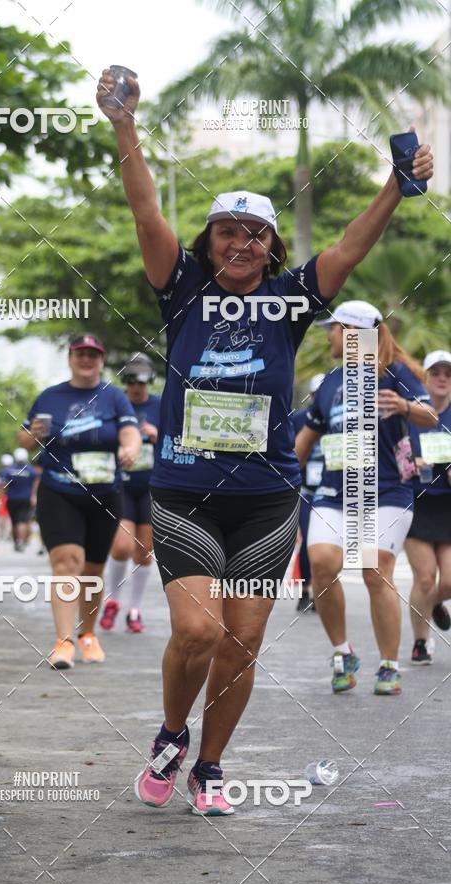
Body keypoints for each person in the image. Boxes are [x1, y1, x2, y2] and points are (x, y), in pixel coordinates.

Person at [97, 67, 434, 814]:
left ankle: (209, 766)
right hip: (185, 492)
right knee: (195, 628)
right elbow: (145, 208)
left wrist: (393, 185)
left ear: (271, 246)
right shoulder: (181, 288)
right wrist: (124, 123)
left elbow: (349, 248)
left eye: (255, 234)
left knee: (241, 642)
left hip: (267, 499)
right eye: (228, 231)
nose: (242, 243)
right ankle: (171, 732)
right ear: (209, 242)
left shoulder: (291, 301)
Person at [295, 301, 436, 697]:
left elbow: (429, 414)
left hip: (387, 491)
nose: (329, 336)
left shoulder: (396, 373)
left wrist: (406, 406)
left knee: (376, 570)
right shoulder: (329, 384)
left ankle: (389, 665)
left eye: (334, 329)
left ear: (354, 333)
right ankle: (343, 653)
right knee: (321, 564)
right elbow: (304, 441)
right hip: (334, 493)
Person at [18, 334, 141, 668]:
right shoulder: (51, 396)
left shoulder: (114, 397)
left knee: (91, 571)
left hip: (104, 494)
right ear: (70, 358)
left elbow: (130, 431)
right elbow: (25, 438)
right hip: (60, 490)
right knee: (66, 561)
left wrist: (130, 448)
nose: (86, 360)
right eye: (80, 354)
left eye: (93, 355)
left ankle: (87, 634)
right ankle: (63, 642)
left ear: (101, 360)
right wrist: (33, 435)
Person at [100, 353, 161, 633]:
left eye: (142, 381)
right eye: (131, 380)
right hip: (121, 484)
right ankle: (113, 601)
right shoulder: (114, 404)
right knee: (122, 546)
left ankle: (134, 610)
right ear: (124, 381)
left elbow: (178, 443)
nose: (136, 387)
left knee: (144, 553)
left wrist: (155, 435)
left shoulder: (160, 405)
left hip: (151, 487)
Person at [405, 350, 451, 664]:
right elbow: (392, 450)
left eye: (448, 374)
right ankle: (421, 641)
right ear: (425, 376)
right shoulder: (411, 411)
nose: (442, 379)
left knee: (447, 581)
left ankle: (434, 603)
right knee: (425, 578)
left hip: (447, 505)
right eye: (435, 372)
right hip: (416, 501)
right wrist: (410, 461)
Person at [290, 373, 325, 612]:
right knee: (308, 540)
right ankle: (304, 592)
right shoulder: (299, 419)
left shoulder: (340, 418)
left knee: (325, 544)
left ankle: (322, 593)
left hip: (331, 490)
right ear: (311, 395)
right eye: (316, 394)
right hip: (305, 489)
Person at [0, 448, 39, 552]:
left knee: (14, 521)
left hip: (12, 499)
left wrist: (1, 496)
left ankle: (17, 541)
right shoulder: (30, 470)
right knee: (23, 521)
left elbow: (3, 485)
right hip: (26, 499)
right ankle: (21, 541)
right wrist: (34, 495)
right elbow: (37, 481)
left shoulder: (9, 470)